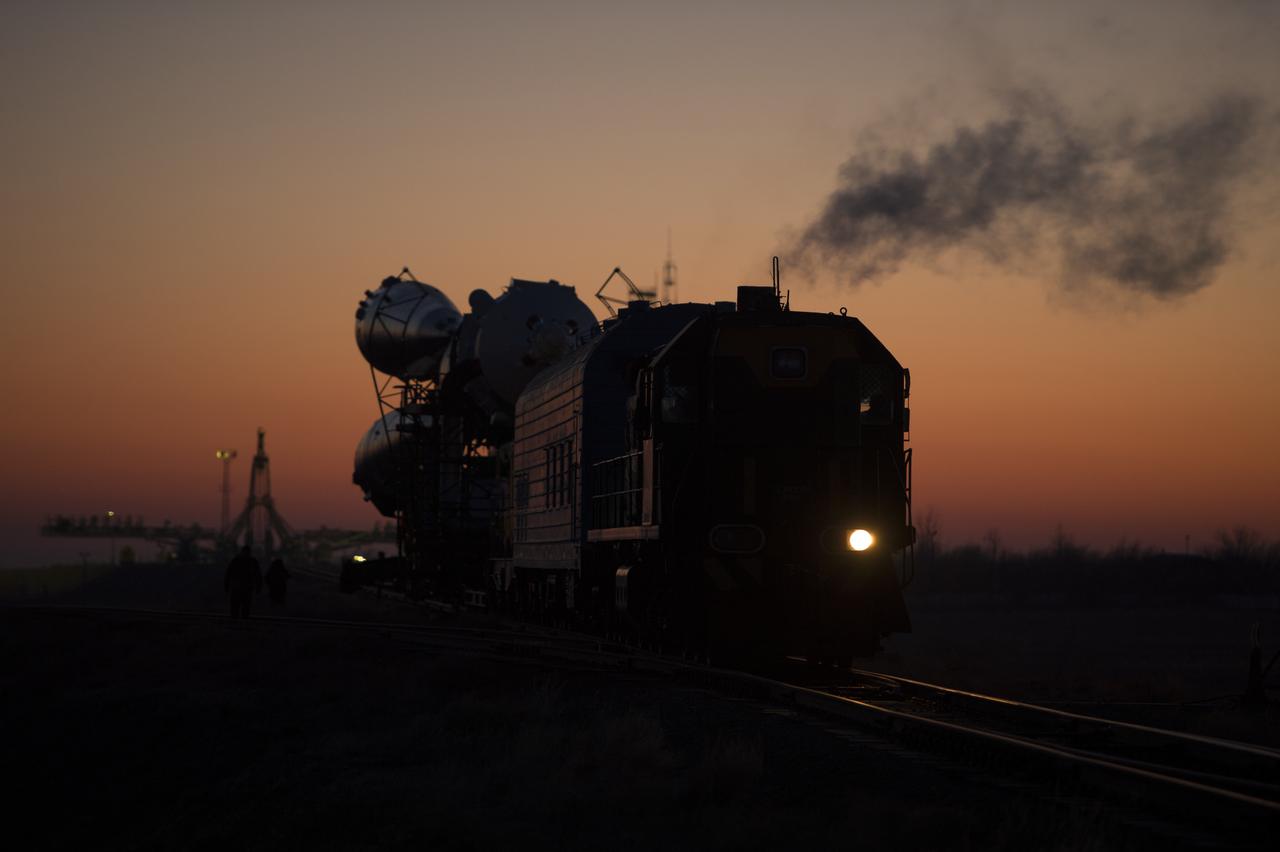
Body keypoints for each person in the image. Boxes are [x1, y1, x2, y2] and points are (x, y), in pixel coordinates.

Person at [224, 545, 262, 618]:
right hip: (247, 588)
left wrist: (226, 586)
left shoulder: (236, 560)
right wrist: (258, 587)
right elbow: (258, 576)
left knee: (235, 608)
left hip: (237, 588)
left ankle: (235, 625)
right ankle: (243, 624)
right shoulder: (253, 562)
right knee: (245, 608)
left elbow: (228, 574)